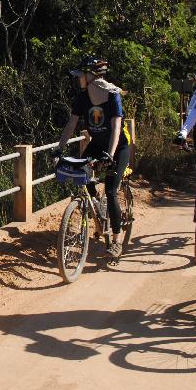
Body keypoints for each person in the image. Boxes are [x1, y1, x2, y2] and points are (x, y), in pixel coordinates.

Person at [54, 56, 132, 258]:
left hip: (118, 147)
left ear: (92, 76)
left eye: (81, 75)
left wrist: (111, 154)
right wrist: (59, 149)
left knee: (112, 190)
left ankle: (116, 241)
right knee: (82, 174)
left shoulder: (113, 96)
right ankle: (97, 204)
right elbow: (71, 125)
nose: (78, 79)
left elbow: (116, 128)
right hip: (96, 145)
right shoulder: (82, 97)